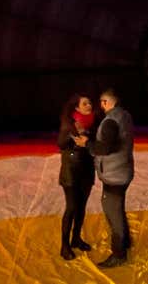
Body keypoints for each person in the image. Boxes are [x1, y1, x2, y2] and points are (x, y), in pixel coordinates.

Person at [75, 89, 133, 268]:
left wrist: (87, 144)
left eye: (101, 102)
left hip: (114, 175)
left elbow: (105, 148)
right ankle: (126, 242)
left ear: (106, 102)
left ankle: (119, 254)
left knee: (112, 212)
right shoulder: (125, 115)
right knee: (118, 207)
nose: (98, 106)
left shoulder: (110, 122)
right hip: (123, 170)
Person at [56, 94, 96, 260]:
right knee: (71, 207)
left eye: (90, 102)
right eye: (85, 103)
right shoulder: (69, 123)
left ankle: (76, 239)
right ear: (77, 108)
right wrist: (72, 133)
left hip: (86, 171)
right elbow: (60, 144)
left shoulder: (93, 123)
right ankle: (64, 246)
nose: (89, 105)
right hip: (71, 172)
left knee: (81, 208)